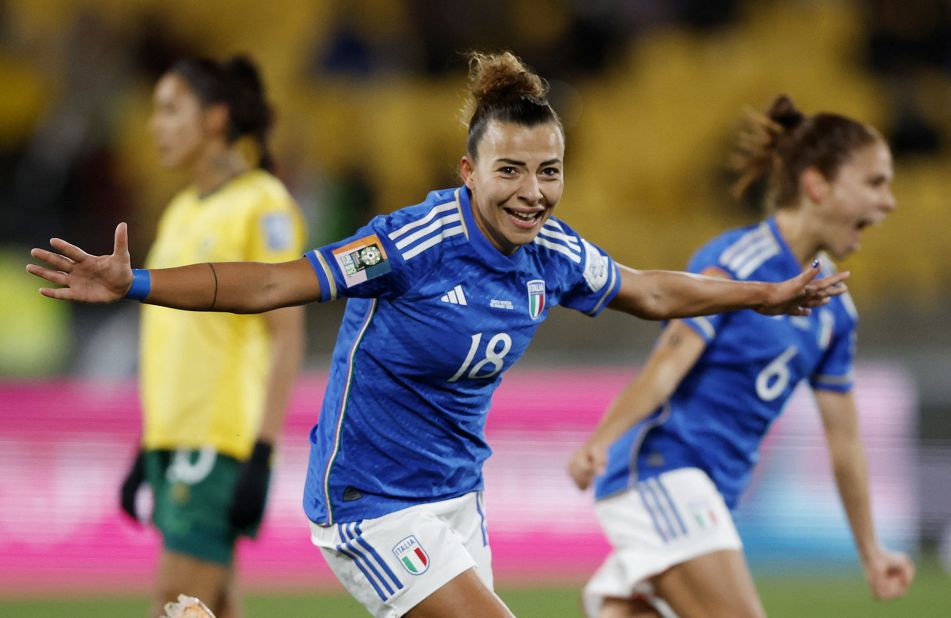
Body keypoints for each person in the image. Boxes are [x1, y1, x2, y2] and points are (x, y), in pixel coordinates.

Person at [28, 54, 847, 618]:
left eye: (549, 170)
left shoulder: (553, 255)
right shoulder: (412, 244)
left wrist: (766, 293)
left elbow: (651, 288)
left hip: (457, 500)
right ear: (469, 172)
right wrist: (132, 283)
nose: (533, 192)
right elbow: (278, 282)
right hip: (370, 502)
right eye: (511, 171)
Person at [567, 95, 916, 618]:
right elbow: (667, 365)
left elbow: (844, 440)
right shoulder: (736, 262)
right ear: (817, 184)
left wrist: (870, 550)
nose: (888, 202)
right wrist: (601, 439)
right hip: (662, 470)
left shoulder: (836, 311)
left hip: (711, 495)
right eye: (874, 182)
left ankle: (623, 599)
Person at [116, 56, 307, 618]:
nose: (155, 125)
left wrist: (262, 453)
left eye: (171, 109)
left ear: (216, 119)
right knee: (212, 606)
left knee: (174, 605)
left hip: (218, 441)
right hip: (176, 440)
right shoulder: (178, 211)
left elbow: (288, 336)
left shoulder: (262, 203)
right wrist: (148, 446)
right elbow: (178, 342)